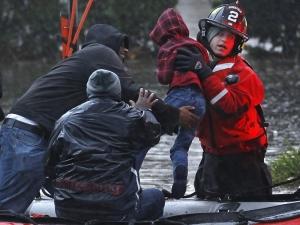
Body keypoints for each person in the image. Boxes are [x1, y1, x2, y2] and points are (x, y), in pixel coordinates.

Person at [0, 24, 199, 213]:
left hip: (35, 135)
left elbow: (125, 110)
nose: (126, 52)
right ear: (107, 42)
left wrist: (163, 123)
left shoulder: (88, 68)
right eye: (122, 44)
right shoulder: (99, 52)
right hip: (27, 133)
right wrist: (176, 115)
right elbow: (135, 93)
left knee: (66, 191)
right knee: (9, 204)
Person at [175, 2, 272, 198]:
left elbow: (229, 106)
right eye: (219, 33)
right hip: (211, 159)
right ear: (207, 33)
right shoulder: (198, 67)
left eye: (230, 36)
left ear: (238, 43)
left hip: (245, 163)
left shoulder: (245, 75)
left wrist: (203, 71)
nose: (223, 40)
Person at [45, 69, 164, 222]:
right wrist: (143, 111)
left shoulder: (66, 119)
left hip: (67, 210)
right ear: (117, 91)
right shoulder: (132, 117)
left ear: (89, 90)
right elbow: (153, 135)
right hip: (116, 211)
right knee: (157, 197)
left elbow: (49, 166)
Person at [149, 8, 209, 199]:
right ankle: (179, 189)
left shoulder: (167, 47)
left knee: (146, 129)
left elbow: (163, 77)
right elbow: (206, 66)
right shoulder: (196, 45)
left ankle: (126, 182)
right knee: (180, 147)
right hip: (200, 101)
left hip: (179, 95)